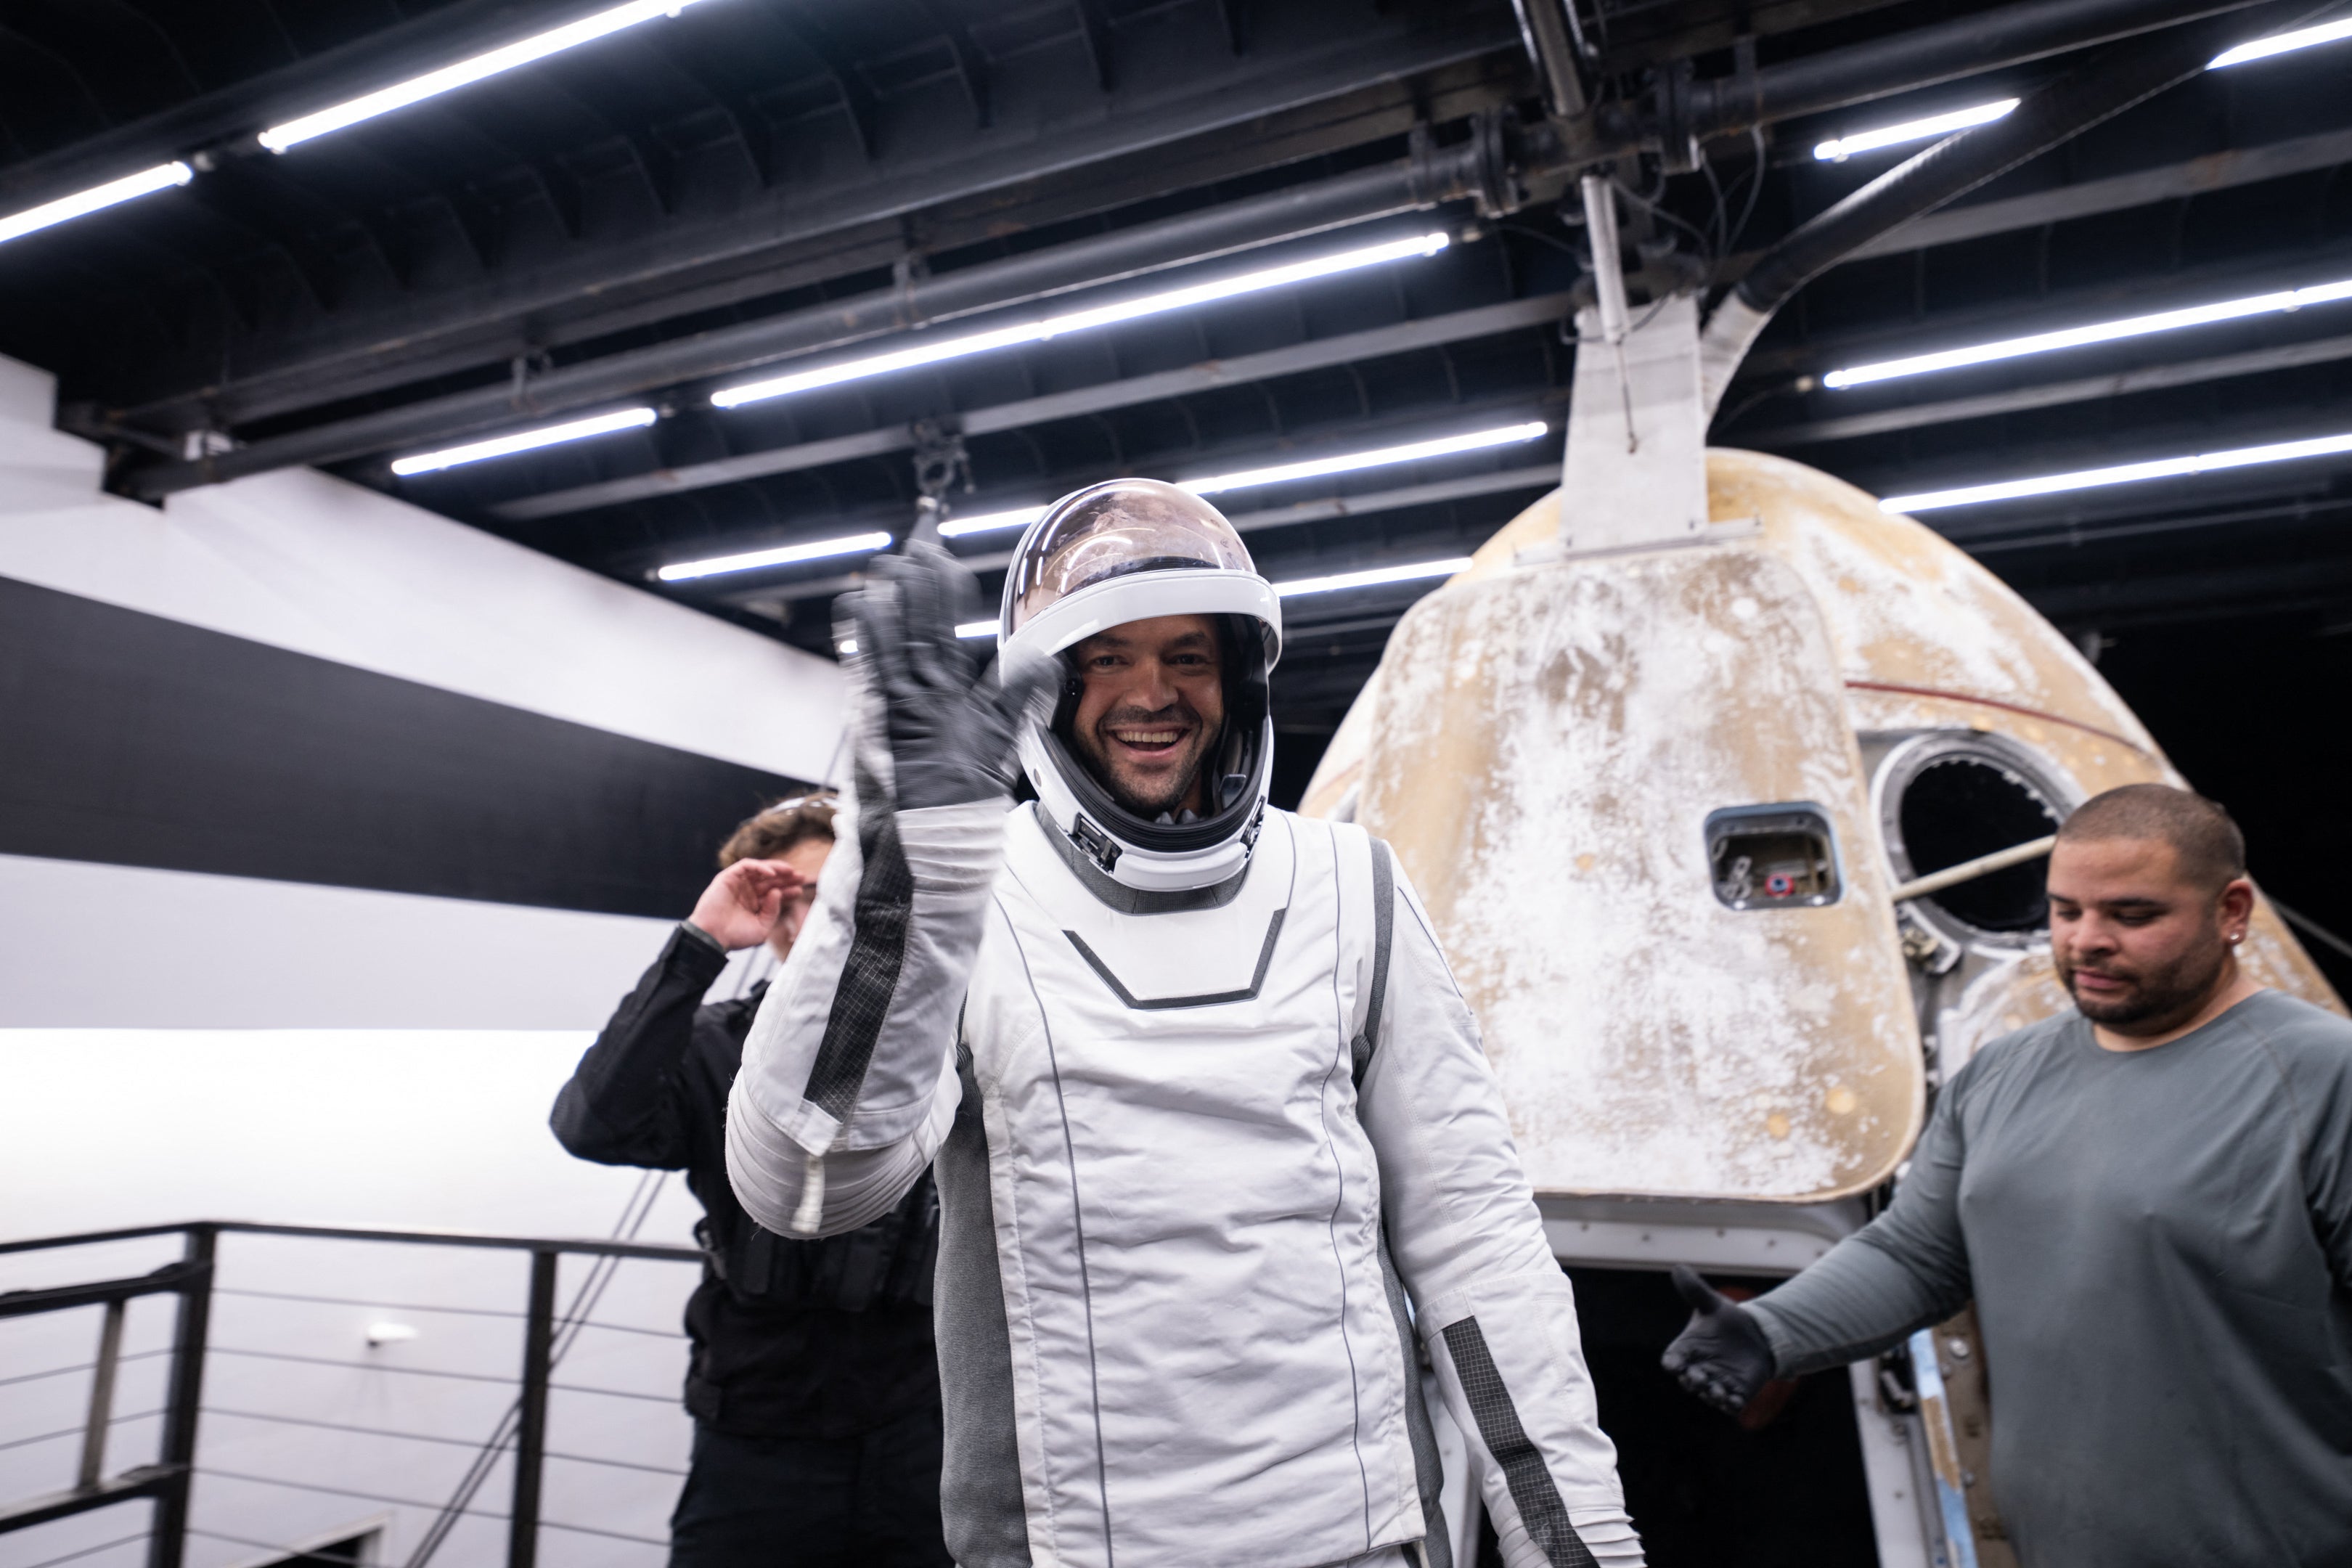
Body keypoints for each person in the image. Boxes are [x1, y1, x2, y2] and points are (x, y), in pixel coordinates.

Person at [724, 480, 1642, 1568]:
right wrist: (905, 880)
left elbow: (1473, 1239)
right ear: (1054, 684)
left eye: (1187, 657)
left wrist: (1575, 1540)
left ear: (1238, 679)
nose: (1150, 693)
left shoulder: (1352, 882)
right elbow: (807, 1186)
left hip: (1369, 1540)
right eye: (1108, 658)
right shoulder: (974, 886)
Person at [1660, 783, 2352, 1567]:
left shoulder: (2326, 1079)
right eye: (2066, 911)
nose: (2087, 940)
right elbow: (1917, 1255)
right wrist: (1772, 1331)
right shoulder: (2002, 1074)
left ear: (2232, 911)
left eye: (2132, 916)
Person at [550, 796, 949, 1568]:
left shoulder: (947, 1052)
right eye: (789, 901)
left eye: (835, 898)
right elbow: (590, 1125)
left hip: (919, 1431)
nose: (808, 924)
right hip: (757, 1435)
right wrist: (701, 945)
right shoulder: (715, 1048)